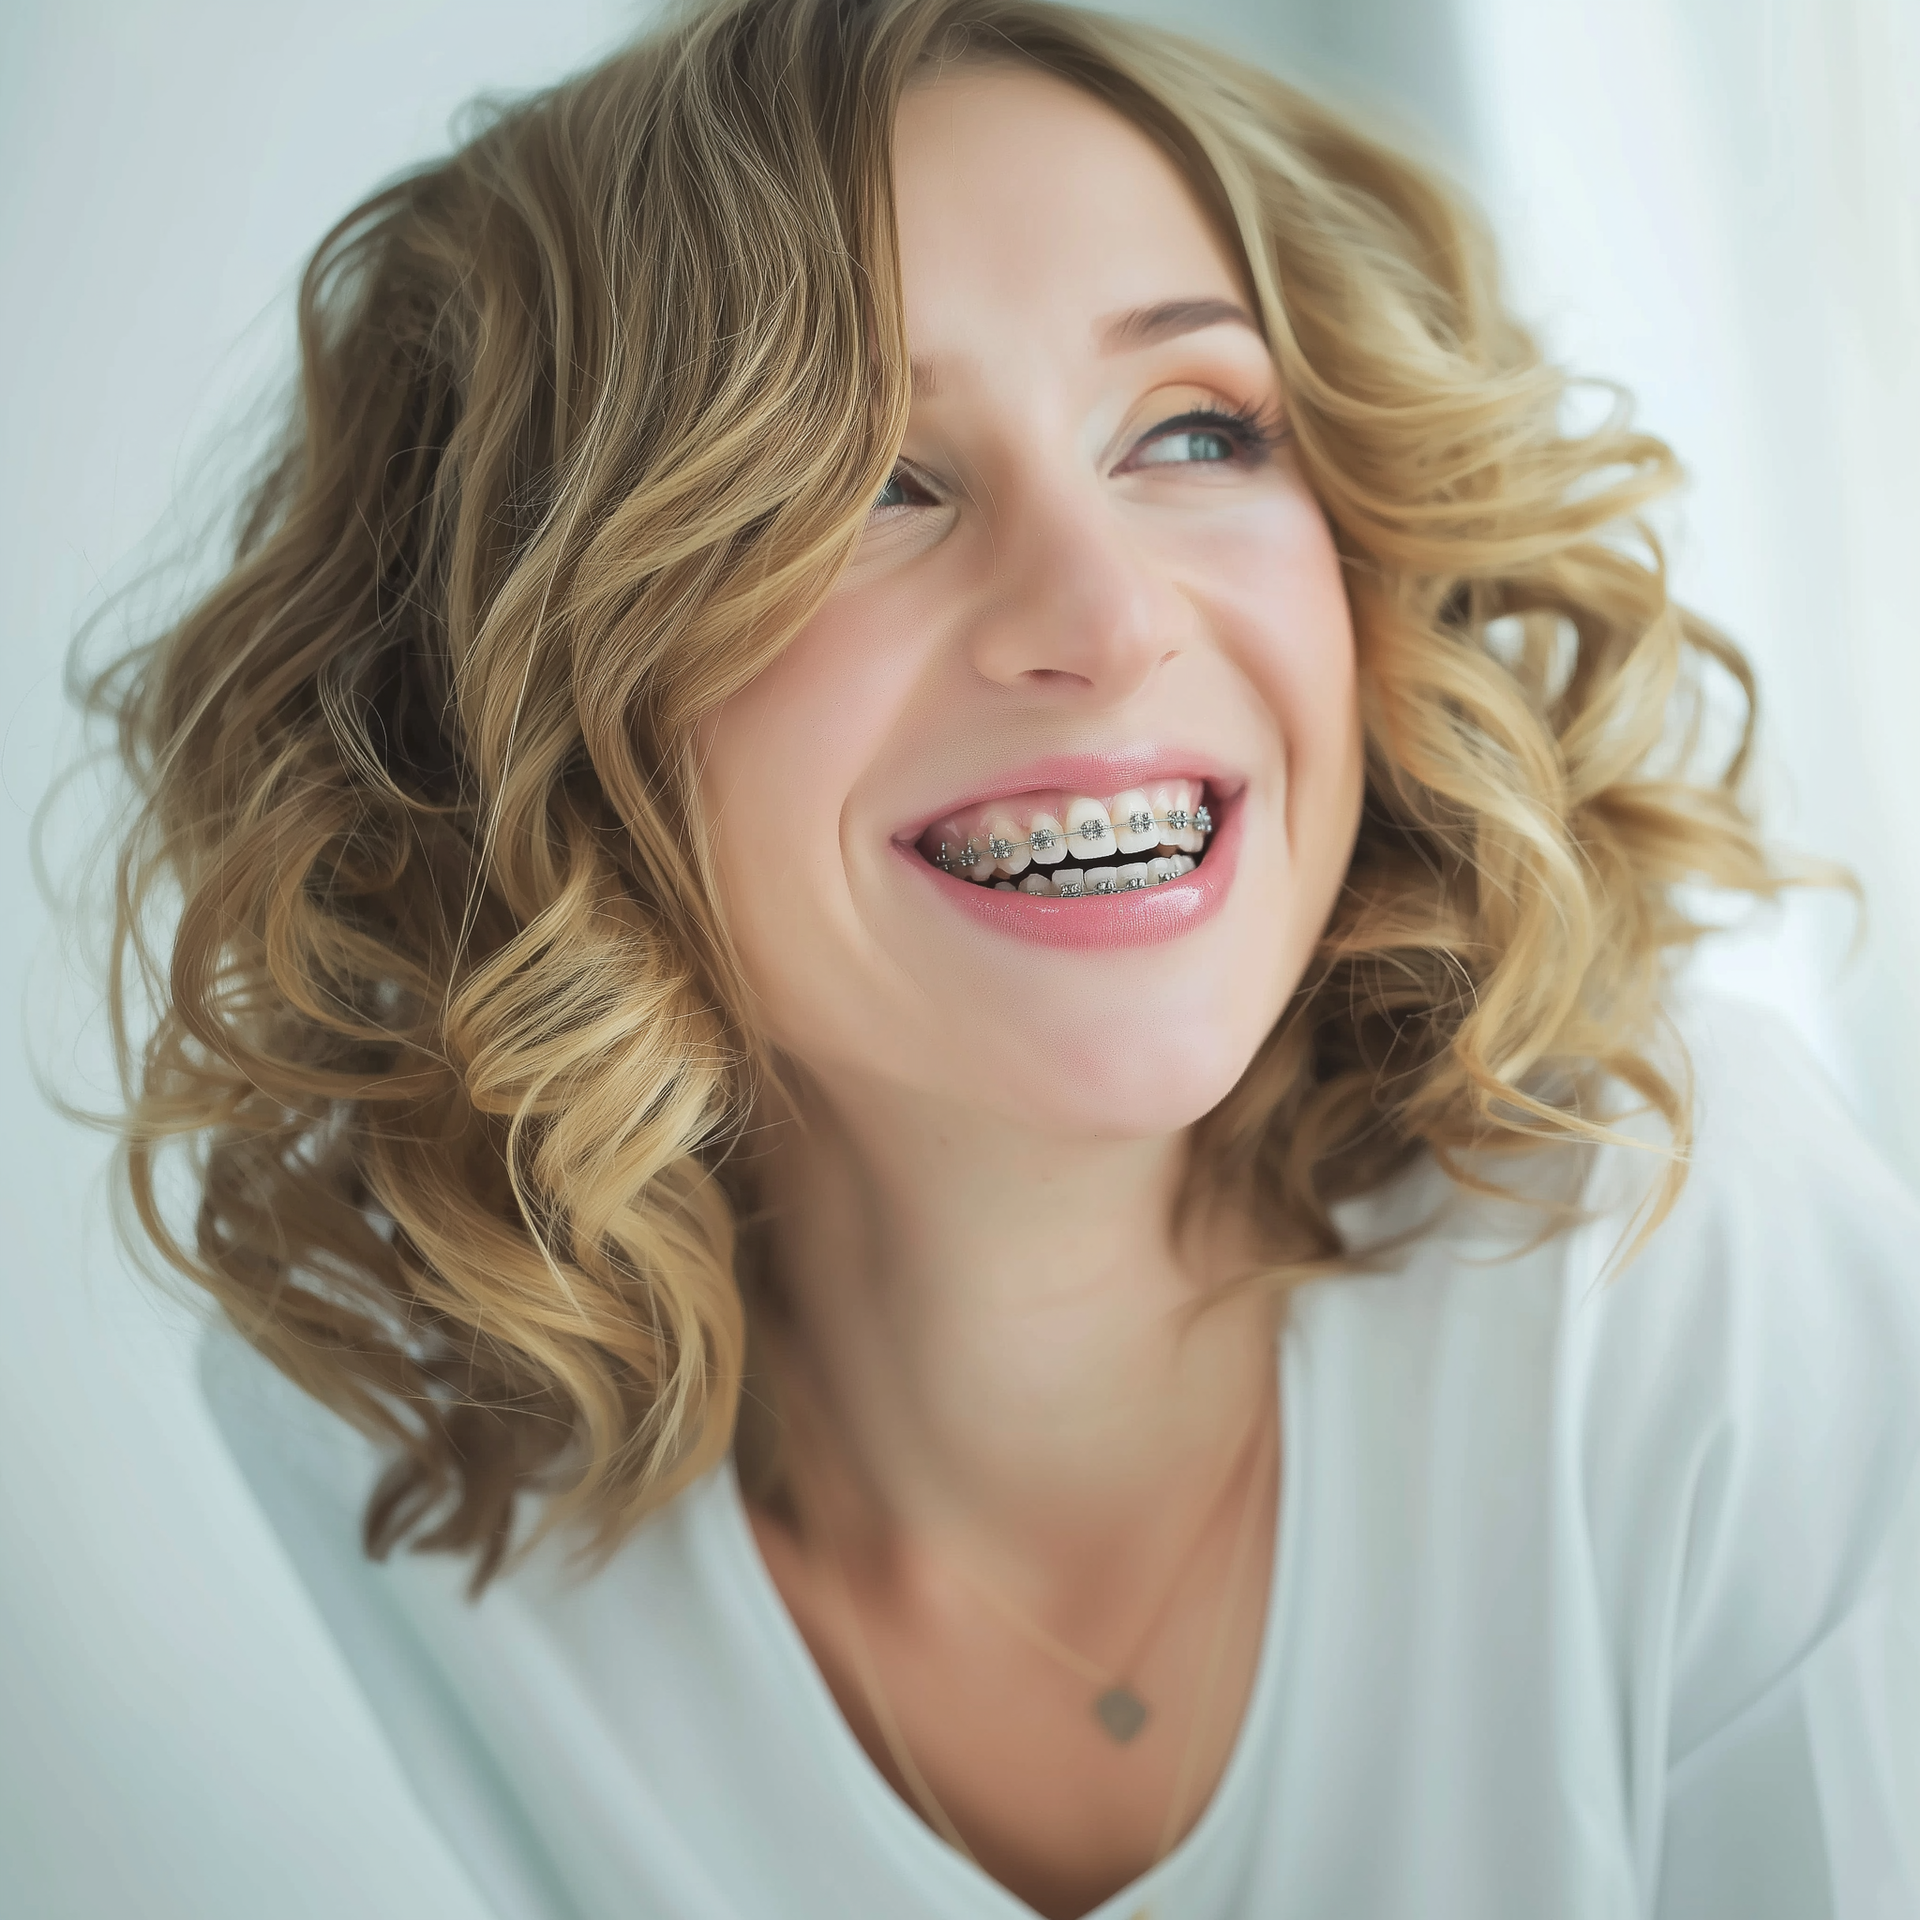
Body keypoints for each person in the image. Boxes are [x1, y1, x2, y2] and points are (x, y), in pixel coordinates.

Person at [97, 0, 1920, 1914]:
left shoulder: (1681, 1271)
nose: (1108, 614)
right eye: (873, 482)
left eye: (1197, 428)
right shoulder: (409, 1453)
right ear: (516, 700)